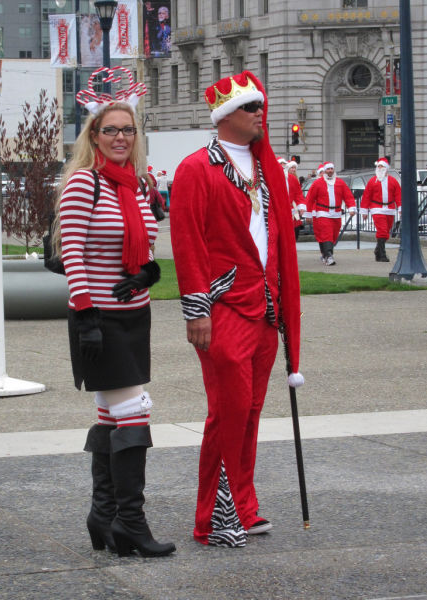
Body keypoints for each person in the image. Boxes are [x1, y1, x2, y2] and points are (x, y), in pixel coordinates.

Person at [170, 71, 303, 548]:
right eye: (251, 108)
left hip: (266, 308)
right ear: (226, 116)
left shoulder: (270, 170)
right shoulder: (195, 168)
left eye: (260, 106)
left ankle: (243, 507)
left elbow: (277, 243)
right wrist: (196, 309)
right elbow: (187, 243)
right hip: (223, 305)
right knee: (226, 412)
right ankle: (214, 518)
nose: (259, 113)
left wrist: (285, 306)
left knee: (249, 413)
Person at [53, 68, 175, 558]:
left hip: (134, 313)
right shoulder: (86, 182)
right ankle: (129, 521)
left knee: (111, 411)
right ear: (94, 136)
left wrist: (149, 273)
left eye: (129, 130)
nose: (121, 137)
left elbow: (145, 242)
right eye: (111, 130)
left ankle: (103, 516)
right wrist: (85, 316)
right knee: (133, 410)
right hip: (98, 316)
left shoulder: (138, 185)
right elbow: (73, 252)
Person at [304, 161, 356, 265]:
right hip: (322, 213)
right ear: (324, 171)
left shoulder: (340, 183)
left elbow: (348, 196)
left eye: (332, 169)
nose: (330, 171)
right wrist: (308, 214)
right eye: (328, 169)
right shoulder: (317, 183)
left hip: (336, 213)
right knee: (326, 233)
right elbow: (309, 199)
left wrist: (351, 207)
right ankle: (329, 256)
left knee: (333, 235)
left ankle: (324, 254)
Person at [360, 157, 401, 262]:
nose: (380, 168)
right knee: (382, 230)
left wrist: (400, 207)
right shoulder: (372, 181)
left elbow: (398, 195)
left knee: (386, 232)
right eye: (378, 166)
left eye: (382, 166)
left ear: (386, 168)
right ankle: (382, 254)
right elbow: (366, 196)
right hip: (377, 208)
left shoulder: (393, 181)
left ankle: (377, 250)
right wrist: (364, 210)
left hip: (390, 208)